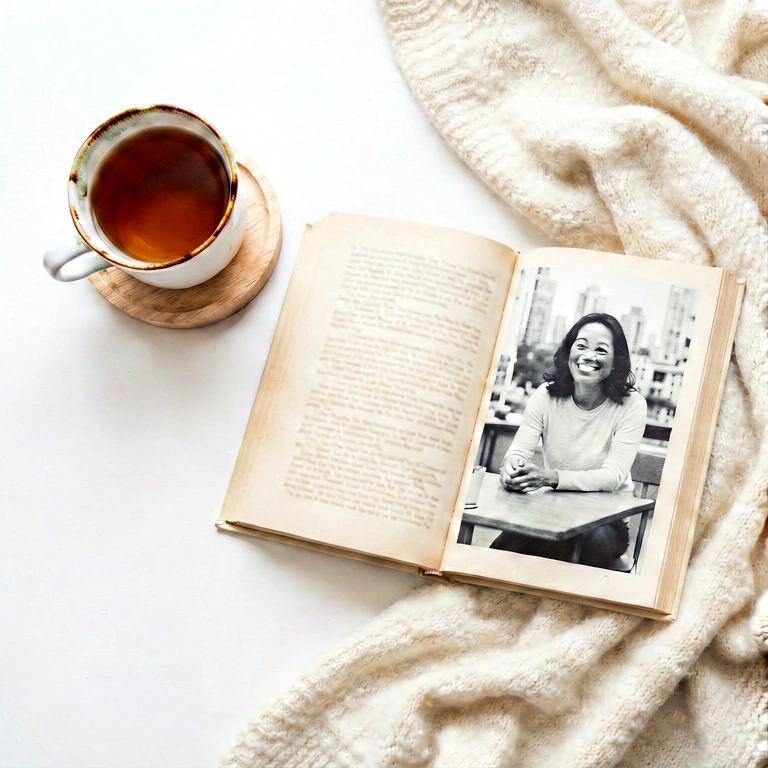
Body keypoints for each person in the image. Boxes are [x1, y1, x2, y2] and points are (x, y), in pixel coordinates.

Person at [490, 313, 647, 568]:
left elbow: (612, 477)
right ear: (569, 352)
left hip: (604, 523)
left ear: (616, 362)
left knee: (558, 547)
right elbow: (518, 452)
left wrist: (549, 477)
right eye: (581, 346)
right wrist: (512, 468)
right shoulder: (545, 395)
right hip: (549, 514)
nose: (588, 356)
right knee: (496, 556)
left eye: (601, 350)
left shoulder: (632, 405)